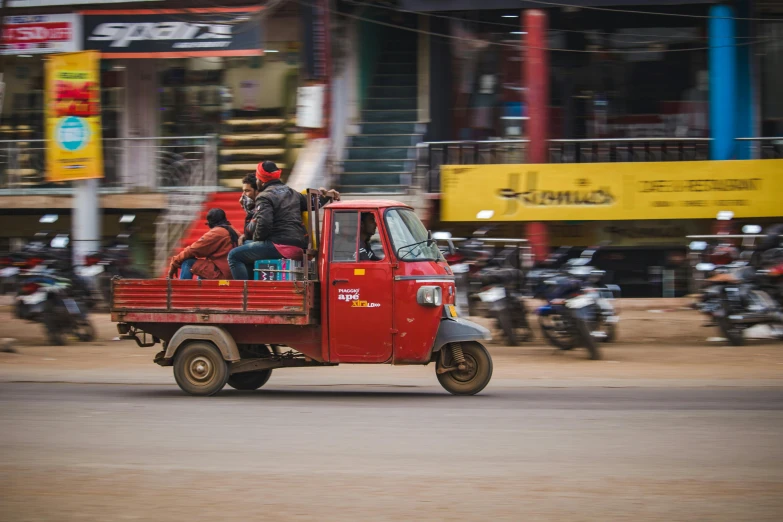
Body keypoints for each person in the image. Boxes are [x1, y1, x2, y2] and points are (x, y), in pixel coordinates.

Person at [228, 161, 340, 280]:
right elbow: (312, 204)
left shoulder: (264, 196)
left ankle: (245, 292)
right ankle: (254, 286)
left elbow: (264, 224)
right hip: (299, 246)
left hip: (280, 246)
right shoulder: (291, 192)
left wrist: (258, 240)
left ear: (261, 180)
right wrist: (327, 196)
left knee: (234, 256)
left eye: (257, 178)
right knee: (245, 246)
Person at [169, 208, 239, 280]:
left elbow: (193, 250)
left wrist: (174, 262)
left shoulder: (216, 233)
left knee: (188, 262)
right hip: (233, 273)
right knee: (203, 268)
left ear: (210, 223)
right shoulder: (234, 231)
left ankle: (182, 290)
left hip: (222, 274)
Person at [239, 173, 259, 244]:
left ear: (257, 191)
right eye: (243, 191)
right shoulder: (253, 208)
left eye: (247, 191)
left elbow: (250, 232)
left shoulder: (262, 205)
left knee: (233, 253)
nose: (243, 195)